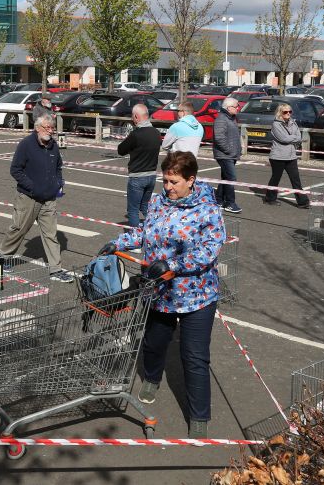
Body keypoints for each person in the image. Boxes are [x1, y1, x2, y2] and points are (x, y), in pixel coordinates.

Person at [98, 150, 226, 439]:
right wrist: (117, 242)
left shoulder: (208, 210)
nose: (167, 187)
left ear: (191, 180)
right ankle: (152, 378)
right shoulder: (158, 202)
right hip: (159, 293)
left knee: (194, 357)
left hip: (197, 297)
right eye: (165, 180)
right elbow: (144, 233)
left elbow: (208, 251)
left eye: (174, 182)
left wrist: (173, 265)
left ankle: (199, 415)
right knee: (155, 343)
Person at [0, 114, 72, 283]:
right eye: (47, 127)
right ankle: (2, 255)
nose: (50, 131)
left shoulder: (54, 146)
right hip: (28, 197)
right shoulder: (26, 145)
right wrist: (33, 187)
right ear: (37, 128)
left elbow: (58, 166)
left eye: (52, 128)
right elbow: (15, 170)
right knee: (18, 229)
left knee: (51, 234)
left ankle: (55, 269)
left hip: (49, 199)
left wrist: (58, 183)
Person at [118, 103, 161, 227]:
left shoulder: (136, 134)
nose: (132, 119)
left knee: (133, 210)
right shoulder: (156, 133)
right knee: (145, 205)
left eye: (133, 117)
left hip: (137, 176)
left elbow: (121, 150)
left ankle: (135, 240)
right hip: (152, 175)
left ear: (136, 117)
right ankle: (154, 229)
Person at [264, 104, 309, 208]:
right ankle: (269, 198)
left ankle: (303, 202)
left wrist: (292, 137)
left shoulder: (293, 122)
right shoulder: (276, 124)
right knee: (276, 178)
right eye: (285, 112)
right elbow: (283, 139)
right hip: (278, 156)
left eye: (290, 111)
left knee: (296, 179)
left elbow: (299, 136)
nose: (288, 113)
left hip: (291, 156)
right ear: (280, 112)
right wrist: (294, 138)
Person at [212, 97, 242, 214]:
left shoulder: (232, 118)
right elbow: (219, 138)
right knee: (231, 178)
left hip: (231, 154)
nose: (238, 108)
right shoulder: (221, 119)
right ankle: (230, 203)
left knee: (225, 178)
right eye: (236, 106)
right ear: (228, 108)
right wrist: (229, 150)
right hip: (224, 155)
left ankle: (219, 200)